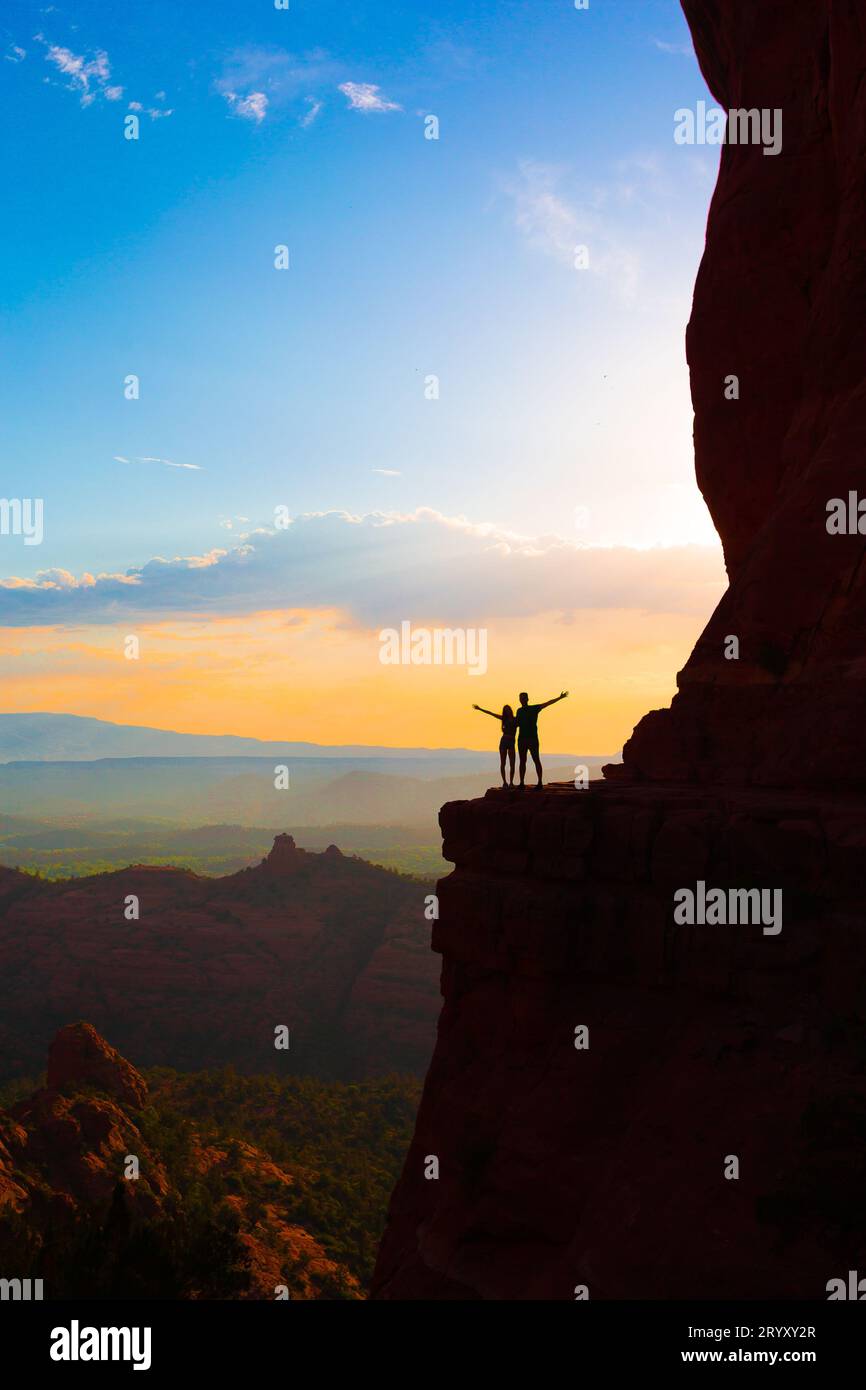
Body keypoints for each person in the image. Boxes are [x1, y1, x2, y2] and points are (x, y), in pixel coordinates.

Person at [515, 690, 568, 789]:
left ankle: (539, 782)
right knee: (524, 761)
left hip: (530, 738)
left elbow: (547, 703)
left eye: (523, 698)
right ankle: (522, 783)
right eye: (521, 698)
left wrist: (559, 698)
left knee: (535, 760)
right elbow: (517, 723)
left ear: (527, 699)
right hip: (524, 738)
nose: (522, 700)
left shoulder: (532, 708)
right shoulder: (520, 711)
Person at [472, 702, 518, 788]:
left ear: (510, 710)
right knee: (503, 762)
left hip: (511, 741)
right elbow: (491, 714)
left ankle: (511, 782)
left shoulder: (516, 720)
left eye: (508, 709)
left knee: (512, 763)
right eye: (506, 710)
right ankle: (504, 782)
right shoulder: (504, 719)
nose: (507, 711)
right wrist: (480, 709)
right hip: (504, 741)